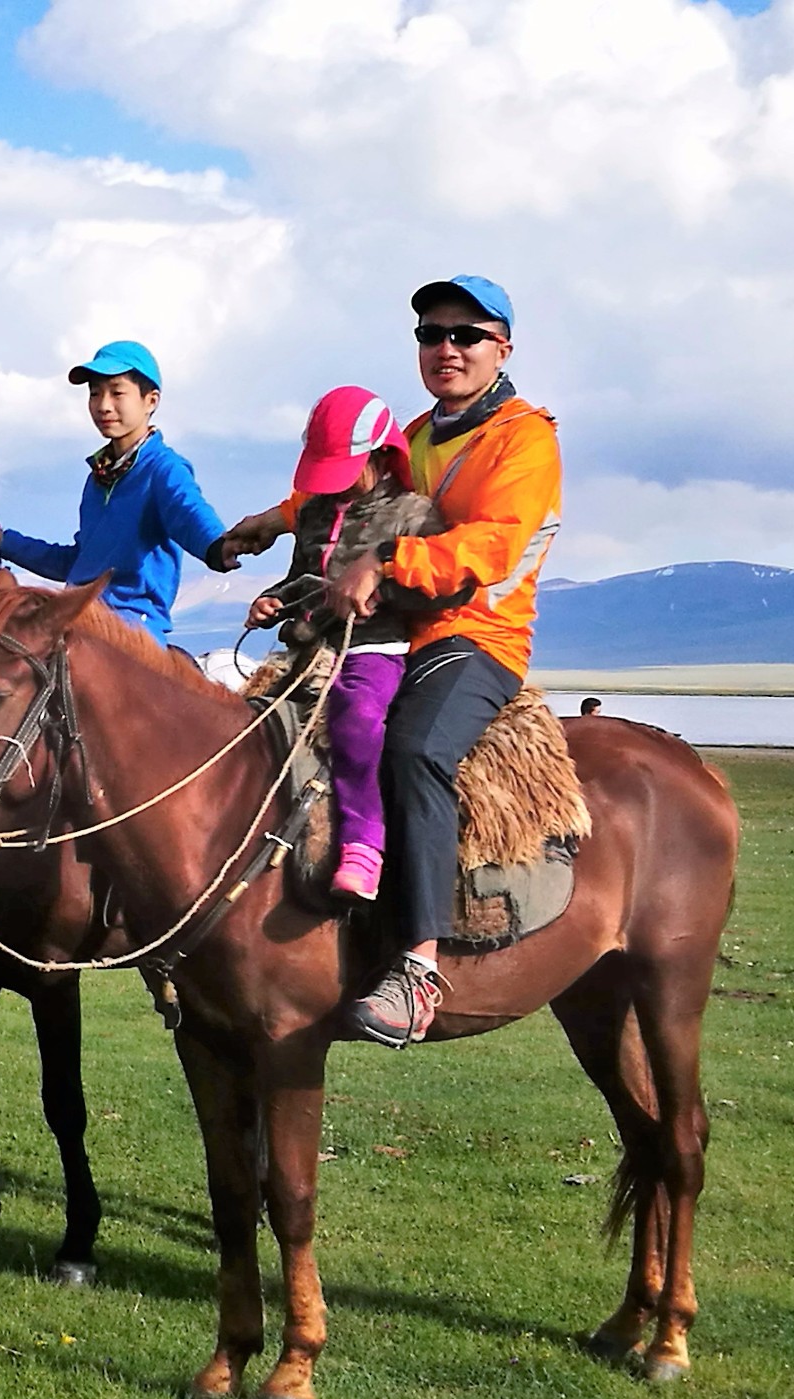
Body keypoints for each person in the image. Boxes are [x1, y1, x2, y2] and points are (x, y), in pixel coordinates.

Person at [319, 275, 561, 1046]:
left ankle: (417, 970)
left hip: (476, 636)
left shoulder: (525, 439)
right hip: (398, 630)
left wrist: (386, 560)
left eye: (466, 335)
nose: (446, 348)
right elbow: (350, 488)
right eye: (431, 334)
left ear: (503, 348)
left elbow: (492, 546)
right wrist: (265, 526)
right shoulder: (418, 433)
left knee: (414, 749)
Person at [243, 387, 440, 902]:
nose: (335, 483)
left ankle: (363, 844)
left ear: (379, 455)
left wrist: (381, 591)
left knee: (356, 717)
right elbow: (299, 580)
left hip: (374, 648)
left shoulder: (412, 514)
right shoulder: (313, 513)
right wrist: (273, 603)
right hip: (310, 652)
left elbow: (442, 587)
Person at [0, 341, 231, 643]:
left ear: (150, 401)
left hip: (132, 631)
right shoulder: (99, 477)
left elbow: (188, 510)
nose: (103, 405)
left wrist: (219, 545)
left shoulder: (163, 468)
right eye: (95, 393)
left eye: (117, 392)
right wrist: (2, 541)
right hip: (81, 622)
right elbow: (79, 562)